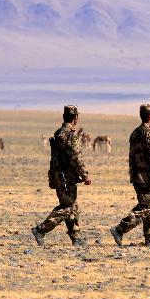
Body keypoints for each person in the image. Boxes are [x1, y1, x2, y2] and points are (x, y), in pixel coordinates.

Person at [110, 104, 150, 247]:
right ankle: (120, 229)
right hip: (145, 176)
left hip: (138, 174)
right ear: (149, 116)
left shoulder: (135, 132)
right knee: (147, 206)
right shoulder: (148, 133)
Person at [32, 105, 91, 247]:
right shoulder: (70, 134)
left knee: (72, 206)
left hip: (59, 175)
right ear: (75, 117)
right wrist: (84, 175)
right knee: (68, 207)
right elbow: (76, 157)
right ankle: (41, 229)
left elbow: (54, 158)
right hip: (66, 176)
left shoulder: (59, 132)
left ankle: (76, 237)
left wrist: (52, 177)